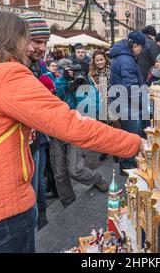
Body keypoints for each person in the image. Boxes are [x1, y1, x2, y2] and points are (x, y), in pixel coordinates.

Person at [0, 11, 144, 253]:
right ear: (14, 39)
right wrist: (134, 143)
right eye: (30, 39)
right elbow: (70, 125)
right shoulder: (6, 74)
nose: (36, 47)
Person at [51, 57, 110, 207]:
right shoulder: (62, 82)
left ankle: (96, 179)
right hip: (57, 130)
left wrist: (82, 91)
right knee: (59, 173)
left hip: (76, 130)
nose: (75, 76)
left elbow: (96, 110)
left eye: (78, 73)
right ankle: (68, 203)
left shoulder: (88, 85)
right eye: (72, 72)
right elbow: (54, 97)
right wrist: (65, 81)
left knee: (75, 169)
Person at [19, 12, 52, 231]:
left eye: (45, 42)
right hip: (17, 148)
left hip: (35, 141)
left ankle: (40, 218)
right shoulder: (11, 70)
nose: (42, 48)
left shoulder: (38, 69)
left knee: (37, 183)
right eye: (37, 41)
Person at [110, 31, 149, 175]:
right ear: (136, 45)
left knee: (128, 136)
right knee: (133, 138)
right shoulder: (127, 60)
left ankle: (127, 165)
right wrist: (145, 103)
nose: (141, 52)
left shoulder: (121, 57)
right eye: (141, 48)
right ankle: (131, 169)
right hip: (129, 107)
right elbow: (131, 89)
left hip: (124, 105)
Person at [89, 50, 119, 162]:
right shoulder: (92, 73)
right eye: (97, 60)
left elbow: (116, 84)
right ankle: (106, 149)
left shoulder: (111, 70)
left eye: (101, 59)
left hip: (111, 101)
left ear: (105, 59)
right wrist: (94, 88)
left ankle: (116, 151)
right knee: (103, 128)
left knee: (115, 126)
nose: (100, 62)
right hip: (100, 103)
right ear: (94, 62)